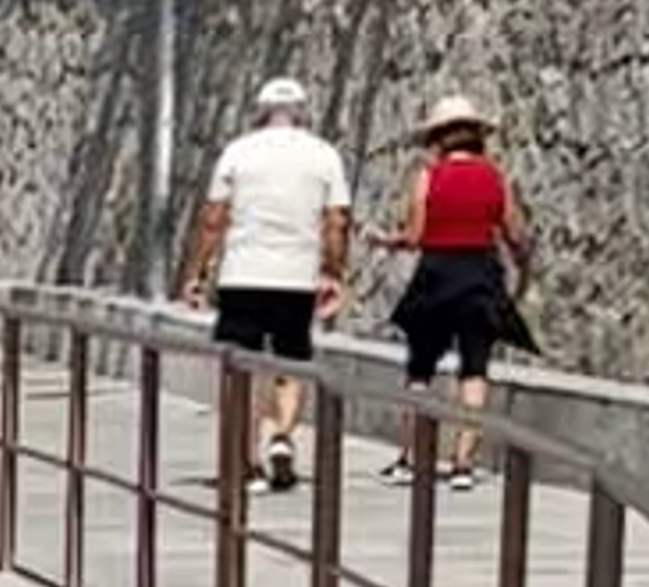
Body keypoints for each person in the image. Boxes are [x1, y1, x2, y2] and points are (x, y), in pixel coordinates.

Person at [183, 67, 352, 487]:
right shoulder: (324, 155)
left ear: (260, 113)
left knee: (243, 368)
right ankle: (282, 435)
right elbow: (336, 222)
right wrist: (333, 272)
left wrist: (197, 272)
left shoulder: (238, 152)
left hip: (242, 274)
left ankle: (247, 463)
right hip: (296, 276)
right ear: (302, 113)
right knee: (292, 361)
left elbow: (214, 218)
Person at [385, 88, 534, 482]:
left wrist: (389, 240)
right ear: (477, 136)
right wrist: (523, 271)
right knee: (474, 368)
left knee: (420, 369)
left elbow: (415, 235)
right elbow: (515, 233)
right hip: (480, 274)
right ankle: (463, 463)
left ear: (437, 139)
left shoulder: (428, 177)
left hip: (435, 274)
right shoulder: (495, 177)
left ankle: (409, 456)